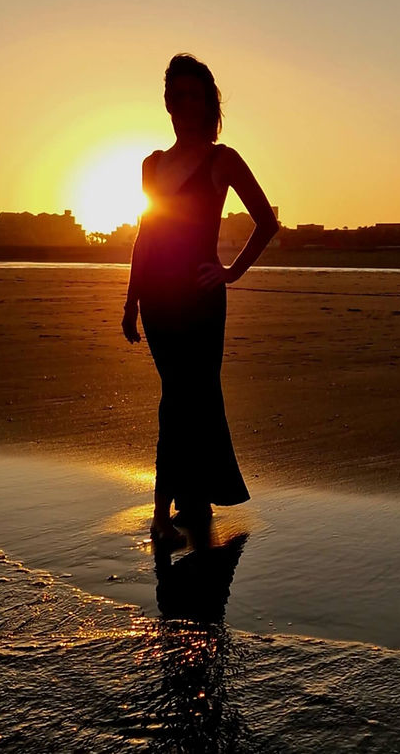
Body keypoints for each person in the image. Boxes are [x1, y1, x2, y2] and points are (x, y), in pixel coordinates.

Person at [122, 54, 279, 548]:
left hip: (200, 300)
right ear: (167, 102)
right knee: (183, 398)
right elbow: (145, 233)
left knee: (187, 399)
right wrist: (130, 301)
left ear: (208, 102)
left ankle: (162, 514)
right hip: (158, 302)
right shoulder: (152, 165)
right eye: (177, 95)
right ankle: (193, 499)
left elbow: (266, 221)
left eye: (195, 95)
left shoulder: (221, 159)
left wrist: (231, 271)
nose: (184, 104)